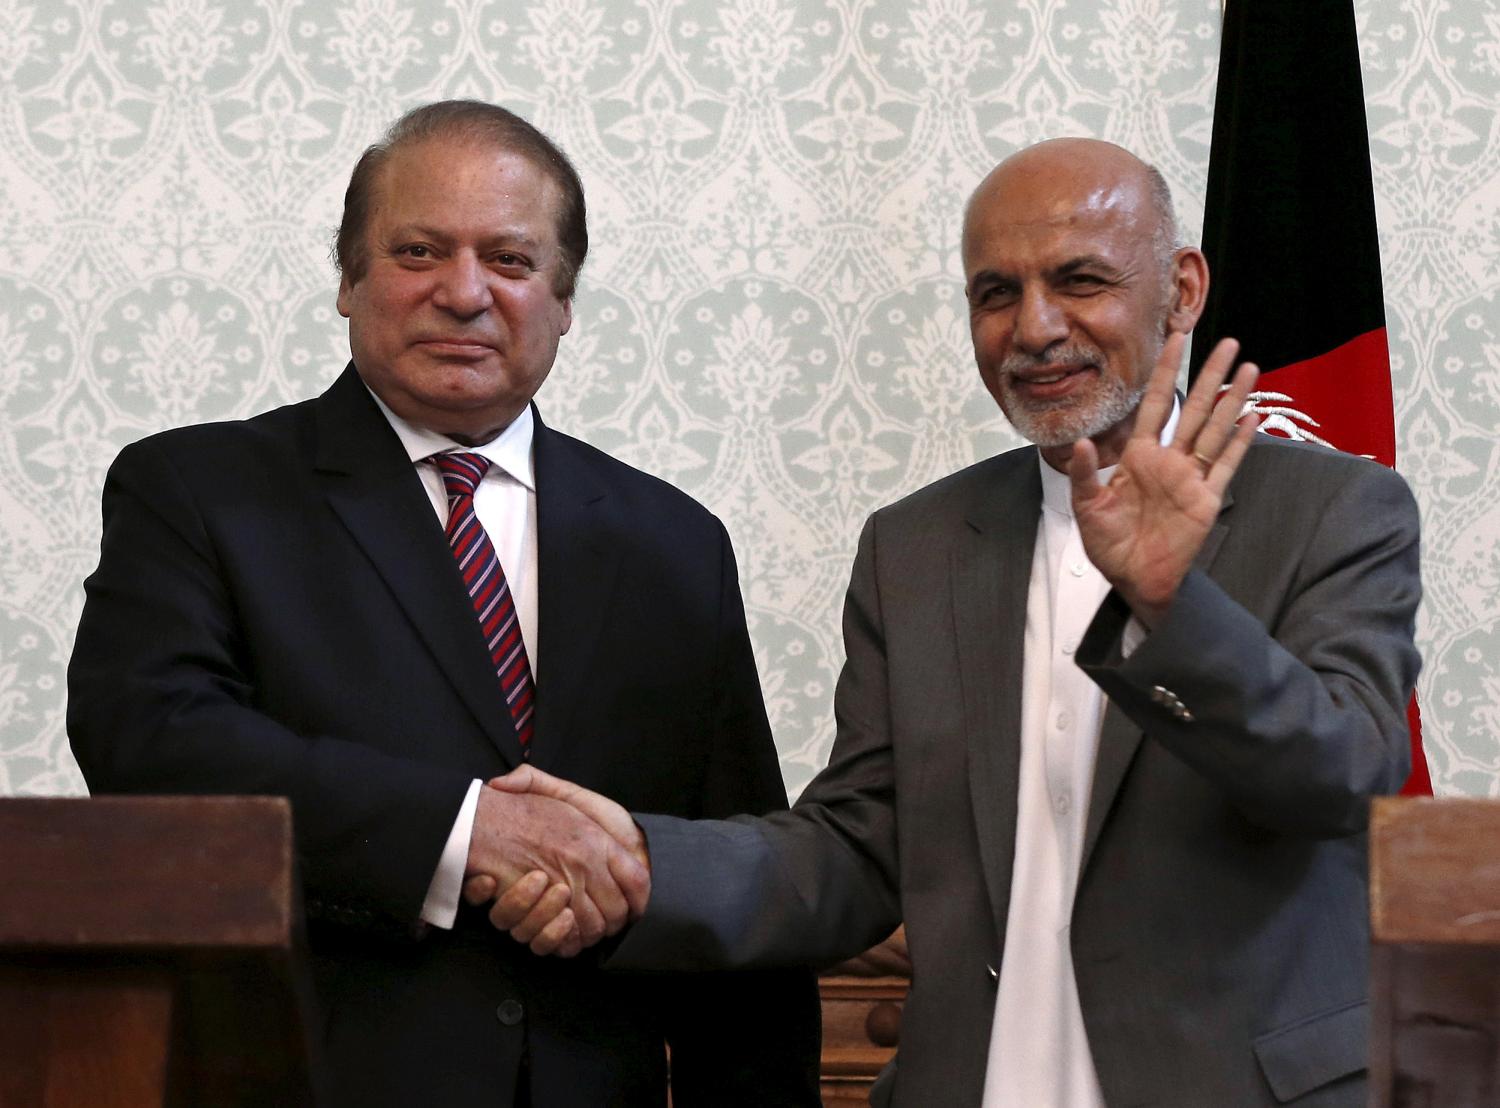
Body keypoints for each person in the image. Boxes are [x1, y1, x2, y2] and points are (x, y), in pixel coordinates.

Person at [468, 138, 1423, 1107]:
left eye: (1080, 280)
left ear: (1181, 290)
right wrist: (642, 863)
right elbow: (856, 848)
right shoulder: (915, 546)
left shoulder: (1337, 509)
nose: (1034, 328)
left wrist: (1174, 608)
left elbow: (1347, 778)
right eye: (996, 293)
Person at [67, 99, 819, 1108]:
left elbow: (734, 877)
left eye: (510, 260)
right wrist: (464, 834)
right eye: (419, 251)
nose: (464, 294)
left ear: (562, 299)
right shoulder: (201, 491)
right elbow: (151, 742)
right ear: (349, 279)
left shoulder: (672, 544)